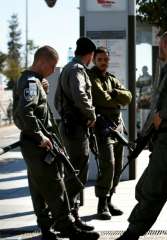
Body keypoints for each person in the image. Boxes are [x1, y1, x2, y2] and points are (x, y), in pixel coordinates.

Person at [13, 46, 99, 240]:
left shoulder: (28, 80)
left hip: (33, 143)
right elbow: (26, 112)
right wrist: (39, 136)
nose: (53, 71)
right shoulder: (31, 82)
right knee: (55, 185)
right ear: (42, 62)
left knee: (38, 188)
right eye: (52, 66)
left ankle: (46, 229)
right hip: (39, 144)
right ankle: (68, 229)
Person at [117, 30, 167, 240]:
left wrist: (162, 115)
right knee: (144, 187)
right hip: (162, 140)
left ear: (166, 44)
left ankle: (132, 234)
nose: (158, 48)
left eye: (160, 44)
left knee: (153, 189)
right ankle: (134, 228)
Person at [54, 37, 96, 231]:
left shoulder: (68, 68)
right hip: (75, 129)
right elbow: (80, 95)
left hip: (71, 126)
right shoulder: (77, 70)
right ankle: (67, 219)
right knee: (76, 174)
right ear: (89, 55)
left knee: (74, 172)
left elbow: (57, 101)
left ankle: (71, 217)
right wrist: (90, 114)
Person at [89, 46, 132, 220]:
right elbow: (101, 98)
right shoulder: (92, 77)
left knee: (118, 166)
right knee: (108, 164)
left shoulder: (111, 78)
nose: (103, 63)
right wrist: (116, 99)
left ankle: (109, 199)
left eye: (106, 60)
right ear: (94, 60)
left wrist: (114, 93)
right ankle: (101, 204)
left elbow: (128, 96)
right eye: (100, 60)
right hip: (103, 127)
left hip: (117, 127)